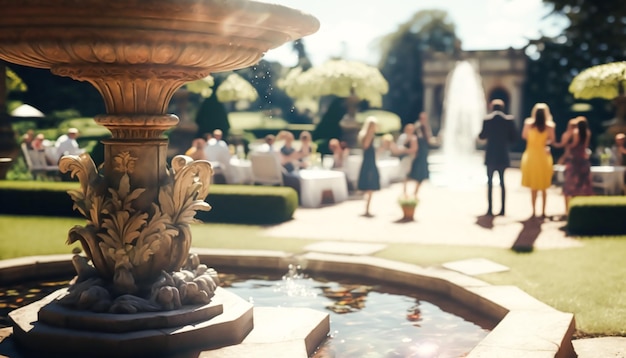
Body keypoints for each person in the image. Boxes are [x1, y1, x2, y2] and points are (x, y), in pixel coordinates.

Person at [478, 99, 518, 216]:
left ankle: (490, 209)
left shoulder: (487, 120)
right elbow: (514, 139)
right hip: (502, 154)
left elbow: (482, 136)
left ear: (492, 107)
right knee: (502, 182)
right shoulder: (509, 120)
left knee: (490, 182)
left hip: (490, 155)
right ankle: (502, 209)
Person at [520, 103, 556, 218]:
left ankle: (534, 211)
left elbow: (524, 136)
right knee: (544, 186)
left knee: (533, 186)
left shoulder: (528, 124)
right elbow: (552, 140)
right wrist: (545, 143)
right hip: (542, 156)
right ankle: (543, 211)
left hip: (531, 155)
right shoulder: (549, 126)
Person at [562, 117, 593, 213]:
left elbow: (573, 145)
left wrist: (567, 145)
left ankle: (568, 211)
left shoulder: (575, 132)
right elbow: (585, 147)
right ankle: (581, 210)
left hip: (574, 162)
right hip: (583, 162)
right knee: (583, 187)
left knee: (569, 187)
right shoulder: (587, 133)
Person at [357, 116, 380, 217]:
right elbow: (366, 146)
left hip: (372, 162)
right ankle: (366, 207)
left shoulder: (372, 136)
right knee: (369, 185)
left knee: (371, 185)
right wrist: (370, 133)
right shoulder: (366, 136)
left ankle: (367, 206)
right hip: (368, 163)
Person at [407, 112, 434, 197]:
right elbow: (413, 138)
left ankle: (415, 193)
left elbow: (429, 140)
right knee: (413, 174)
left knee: (421, 175)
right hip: (418, 153)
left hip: (423, 153)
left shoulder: (426, 127)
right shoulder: (417, 127)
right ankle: (407, 192)